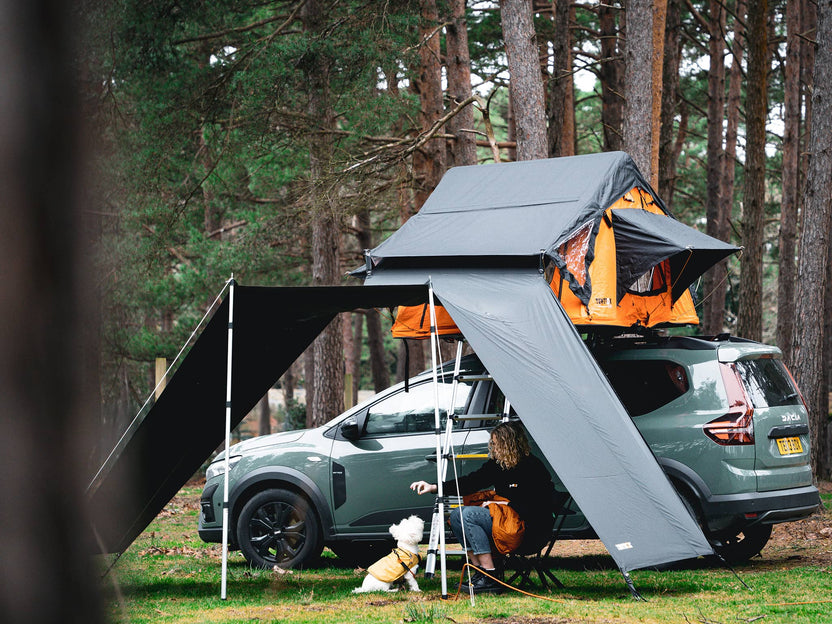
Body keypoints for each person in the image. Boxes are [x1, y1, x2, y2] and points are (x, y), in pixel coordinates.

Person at [410, 420, 555, 594]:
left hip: (528, 529)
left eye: (496, 444)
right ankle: (480, 573)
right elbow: (471, 482)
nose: (492, 448)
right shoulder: (498, 465)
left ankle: (489, 575)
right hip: (503, 522)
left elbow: (538, 505)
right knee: (457, 516)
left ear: (509, 444)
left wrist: (501, 504)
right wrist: (434, 487)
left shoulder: (532, 467)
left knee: (468, 515)